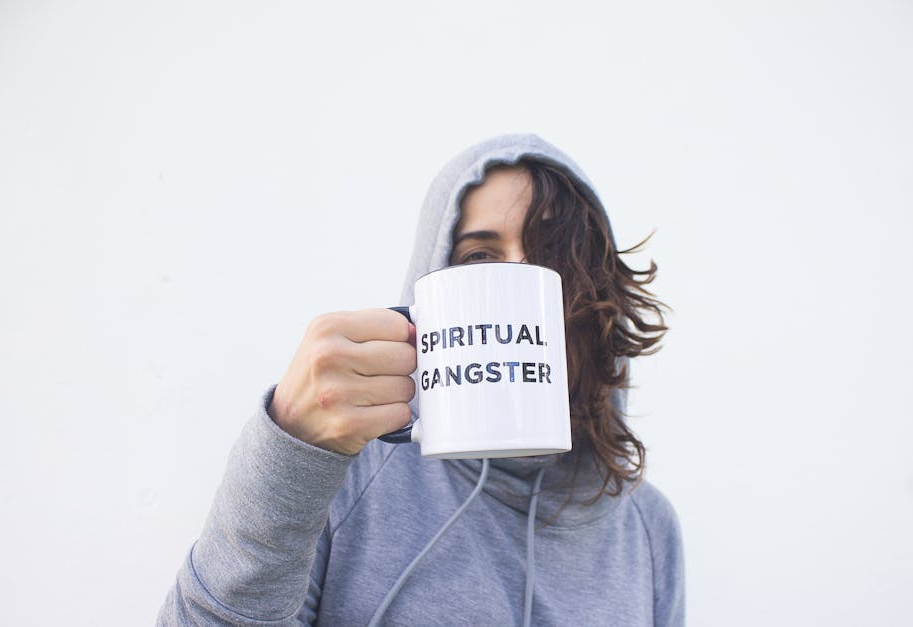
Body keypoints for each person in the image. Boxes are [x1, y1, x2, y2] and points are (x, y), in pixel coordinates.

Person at [158, 134, 685, 626]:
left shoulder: (647, 528)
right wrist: (287, 457)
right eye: (479, 256)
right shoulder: (341, 476)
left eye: (553, 255)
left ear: (596, 297)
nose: (517, 279)